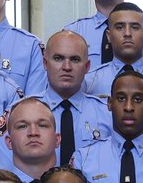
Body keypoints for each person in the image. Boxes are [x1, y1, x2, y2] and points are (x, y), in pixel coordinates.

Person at [34, 30, 113, 165]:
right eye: (58, 58)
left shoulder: (107, 114)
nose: (67, 67)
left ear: (87, 66)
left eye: (75, 60)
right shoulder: (23, 112)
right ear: (45, 63)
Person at [82, 2, 143, 101]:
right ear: (109, 36)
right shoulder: (90, 82)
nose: (127, 34)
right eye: (120, 27)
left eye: (135, 27)